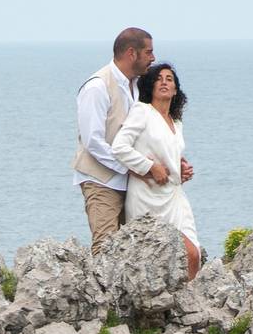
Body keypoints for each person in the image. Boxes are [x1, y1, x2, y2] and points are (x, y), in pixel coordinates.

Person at [112, 63, 200, 280]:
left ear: (175, 89)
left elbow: (170, 154)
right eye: (158, 78)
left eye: (169, 79)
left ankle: (187, 303)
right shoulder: (142, 112)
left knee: (193, 253)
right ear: (150, 86)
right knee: (169, 256)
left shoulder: (176, 122)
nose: (163, 82)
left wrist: (181, 169)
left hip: (174, 197)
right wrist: (150, 166)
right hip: (147, 196)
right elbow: (119, 147)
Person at [72, 27, 155, 255]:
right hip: (100, 181)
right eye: (148, 52)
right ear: (131, 53)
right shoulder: (97, 87)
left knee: (132, 248)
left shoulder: (138, 86)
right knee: (105, 245)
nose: (153, 58)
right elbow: (93, 142)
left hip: (130, 181)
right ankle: (100, 291)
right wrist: (131, 167)